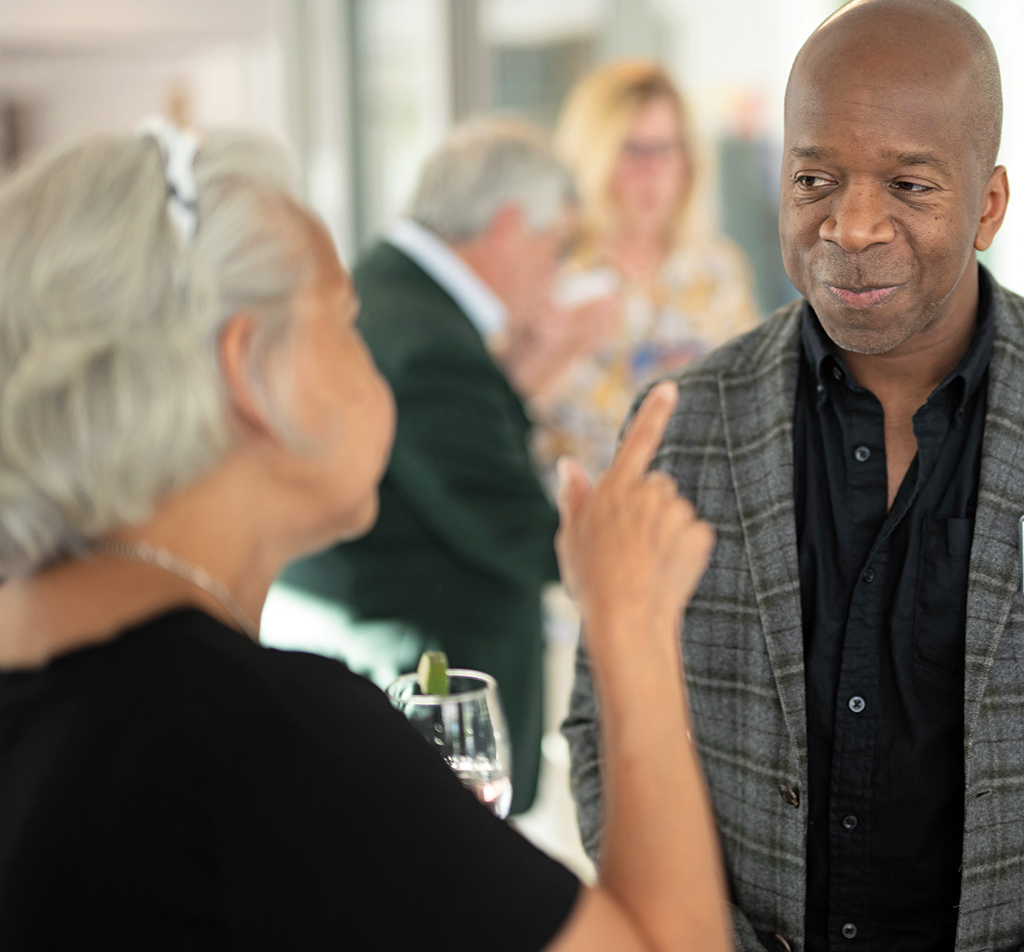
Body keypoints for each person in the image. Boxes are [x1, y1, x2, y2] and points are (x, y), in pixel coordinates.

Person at [565, 0, 1024, 952]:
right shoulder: (683, 431)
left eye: (909, 186)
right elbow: (608, 736)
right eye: (815, 180)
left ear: (988, 205)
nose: (851, 226)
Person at [0, 123, 730, 951]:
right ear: (252, 371)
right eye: (346, 322)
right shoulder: (269, 741)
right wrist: (631, 623)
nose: (373, 360)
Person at [272, 117, 596, 814]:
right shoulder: (429, 341)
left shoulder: (394, 293)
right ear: (509, 226)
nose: (557, 269)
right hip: (423, 689)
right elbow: (516, 528)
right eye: (557, 243)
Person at [542, 59, 760, 476]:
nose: (652, 171)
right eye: (633, 150)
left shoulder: (717, 272)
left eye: (667, 149)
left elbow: (753, 404)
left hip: (698, 520)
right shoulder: (551, 276)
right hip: (576, 520)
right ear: (593, 156)